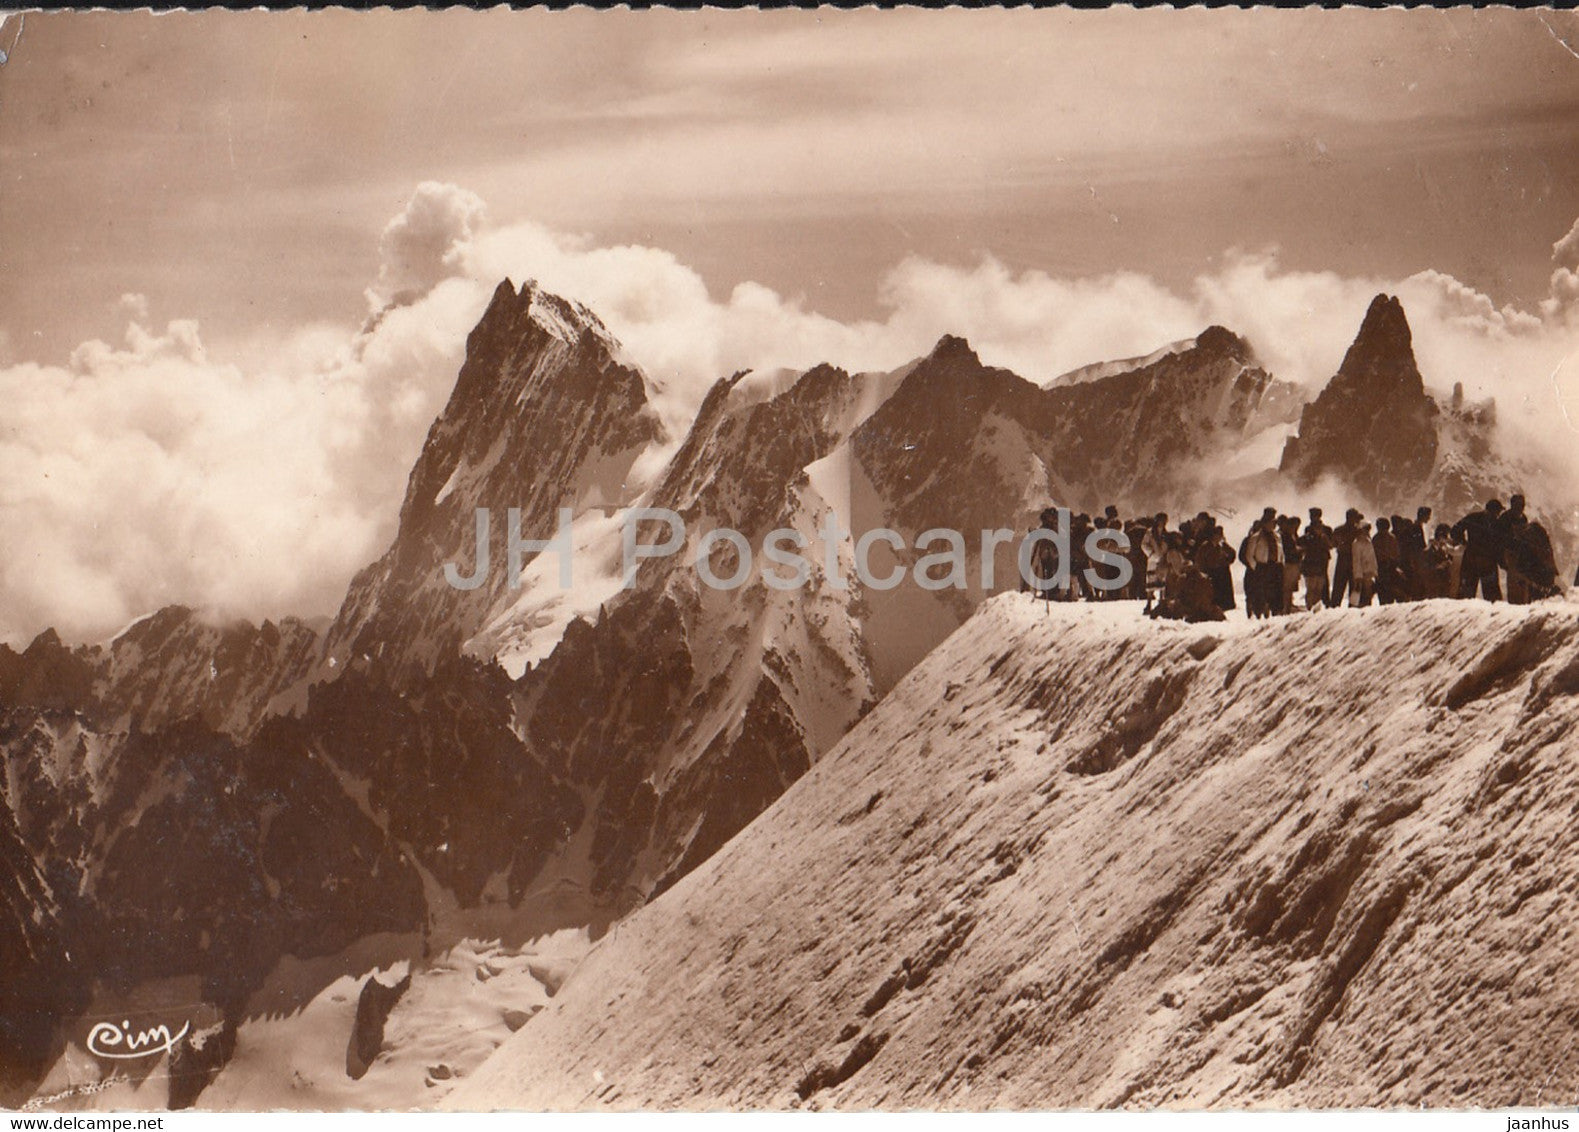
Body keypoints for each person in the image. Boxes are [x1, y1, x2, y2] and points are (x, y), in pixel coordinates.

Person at [1452, 498, 1506, 600]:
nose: (1498, 514)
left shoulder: (1473, 517)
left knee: (1466, 595)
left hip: (1471, 559)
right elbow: (1499, 546)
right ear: (1493, 511)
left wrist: (1464, 542)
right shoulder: (1497, 524)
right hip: (1488, 562)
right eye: (1498, 511)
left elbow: (1455, 530)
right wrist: (1502, 562)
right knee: (1492, 597)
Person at [1330, 508, 1363, 607]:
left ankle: (1335, 606)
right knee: (1353, 585)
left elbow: (1333, 544)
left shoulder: (1338, 530)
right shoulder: (1358, 531)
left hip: (1343, 558)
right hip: (1352, 559)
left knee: (1339, 584)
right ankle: (1352, 606)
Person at [1299, 515, 1333, 610]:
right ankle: (1311, 606)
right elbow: (1301, 545)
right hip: (1311, 562)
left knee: (1321, 584)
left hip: (1321, 561)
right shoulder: (1308, 533)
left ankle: (1321, 603)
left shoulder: (1326, 531)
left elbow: (1331, 545)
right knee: (1312, 586)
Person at [1396, 506, 1431, 599]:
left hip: (1411, 560)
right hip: (1415, 561)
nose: (1429, 518)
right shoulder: (1417, 528)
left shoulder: (1413, 527)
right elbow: (1420, 546)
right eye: (1428, 516)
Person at [1373, 517, 1403, 605]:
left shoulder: (1376, 538)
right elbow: (1397, 553)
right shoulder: (1391, 538)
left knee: (1384, 592)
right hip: (1388, 567)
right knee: (1388, 590)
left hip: (1384, 568)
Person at [1351, 520, 1379, 607]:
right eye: (1366, 529)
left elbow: (1373, 558)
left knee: (1368, 596)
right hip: (1363, 574)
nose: (1368, 531)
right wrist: (1358, 577)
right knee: (1362, 597)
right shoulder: (1357, 543)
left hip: (1370, 573)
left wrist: (1375, 572)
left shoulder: (1369, 542)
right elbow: (1356, 561)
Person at [1278, 515, 1303, 615]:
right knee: (1287, 587)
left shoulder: (1292, 535)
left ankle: (1288, 606)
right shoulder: (1285, 536)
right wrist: (1299, 550)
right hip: (1289, 564)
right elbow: (1288, 551)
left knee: (1290, 587)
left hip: (1294, 564)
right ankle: (1285, 608)